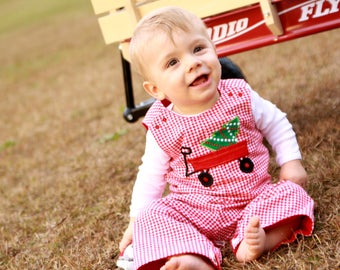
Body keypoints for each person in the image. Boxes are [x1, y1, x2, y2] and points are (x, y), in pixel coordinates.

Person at [119, 6, 314, 270]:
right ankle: (195, 257)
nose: (193, 62)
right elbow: (150, 176)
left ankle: (261, 240)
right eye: (173, 62)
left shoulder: (239, 95)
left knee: (293, 193)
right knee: (152, 216)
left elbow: (276, 122)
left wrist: (291, 163)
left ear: (214, 48)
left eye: (198, 49)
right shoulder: (162, 123)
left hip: (255, 201)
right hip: (195, 212)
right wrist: (135, 222)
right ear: (155, 88)